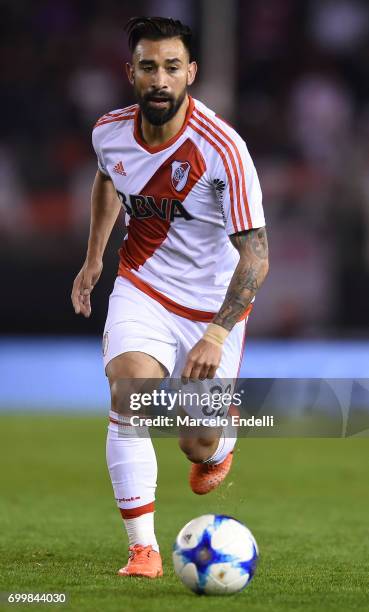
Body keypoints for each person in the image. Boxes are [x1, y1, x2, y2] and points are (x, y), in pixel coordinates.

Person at [71, 16, 269, 579]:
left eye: (172, 67)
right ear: (130, 71)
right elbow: (109, 177)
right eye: (149, 66)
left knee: (196, 441)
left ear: (191, 74)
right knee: (129, 392)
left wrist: (216, 332)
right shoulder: (108, 132)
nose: (160, 78)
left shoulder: (223, 149)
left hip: (211, 308)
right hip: (144, 287)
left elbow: (257, 256)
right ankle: (143, 550)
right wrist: (93, 261)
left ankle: (217, 441)